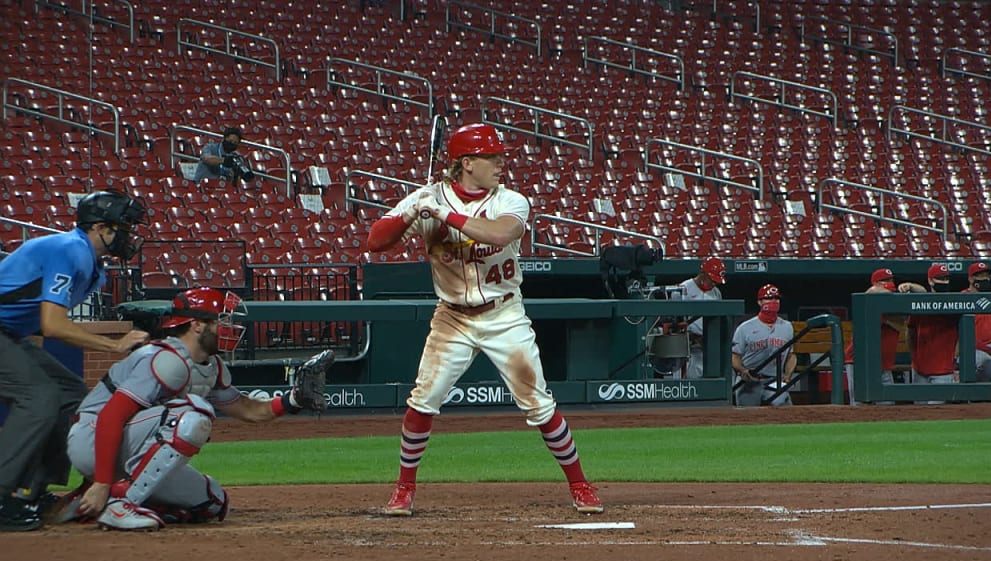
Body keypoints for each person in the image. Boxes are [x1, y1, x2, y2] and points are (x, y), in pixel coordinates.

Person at [365, 123, 603, 516]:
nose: (501, 163)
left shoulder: (511, 200)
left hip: (504, 313)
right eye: (492, 157)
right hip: (452, 318)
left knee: (539, 404)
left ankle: (580, 485)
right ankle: (403, 489)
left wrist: (446, 216)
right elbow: (376, 240)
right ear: (467, 163)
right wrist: (411, 213)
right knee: (422, 401)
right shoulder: (427, 197)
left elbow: (500, 234)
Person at [63, 287, 323, 531]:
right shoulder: (165, 359)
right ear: (197, 325)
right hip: (92, 437)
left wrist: (294, 400)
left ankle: (90, 503)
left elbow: (248, 409)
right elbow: (111, 416)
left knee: (212, 502)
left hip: (125, 447)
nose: (229, 327)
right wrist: (102, 481)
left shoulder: (211, 365)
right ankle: (120, 504)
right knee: (194, 414)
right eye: (221, 320)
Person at [0, 190, 151, 531]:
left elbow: (38, 321)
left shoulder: (94, 267)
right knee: (39, 396)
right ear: (100, 227)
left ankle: (32, 490)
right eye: (124, 227)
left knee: (69, 392)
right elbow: (53, 325)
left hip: (9, 333)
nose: (129, 236)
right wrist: (112, 347)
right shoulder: (70, 250)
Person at [843, 268, 903, 405]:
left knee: (887, 406)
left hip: (883, 364)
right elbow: (871, 291)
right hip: (860, 362)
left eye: (891, 279)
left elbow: (900, 322)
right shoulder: (868, 300)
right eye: (885, 280)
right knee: (861, 405)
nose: (890, 282)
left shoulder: (894, 301)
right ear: (876, 283)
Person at [731, 284, 795, 407]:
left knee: (784, 410)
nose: (773, 302)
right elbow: (735, 356)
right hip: (749, 381)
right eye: (769, 298)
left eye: (776, 298)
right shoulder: (745, 327)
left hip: (774, 380)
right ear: (759, 302)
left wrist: (787, 375)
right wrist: (742, 370)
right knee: (747, 418)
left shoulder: (787, 327)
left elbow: (791, 355)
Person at [666, 256, 726, 379]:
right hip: (686, 348)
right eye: (712, 279)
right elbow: (673, 323)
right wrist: (692, 336)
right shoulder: (683, 289)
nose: (714, 283)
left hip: (707, 347)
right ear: (702, 273)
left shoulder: (716, 293)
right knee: (684, 385)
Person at [899, 264, 959, 385]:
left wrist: (955, 357)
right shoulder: (920, 303)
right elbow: (910, 333)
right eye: (940, 278)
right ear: (930, 281)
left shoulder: (954, 303)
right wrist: (914, 358)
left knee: (938, 404)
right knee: (919, 404)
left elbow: (961, 335)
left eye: (946, 278)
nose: (944, 282)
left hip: (943, 370)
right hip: (919, 369)